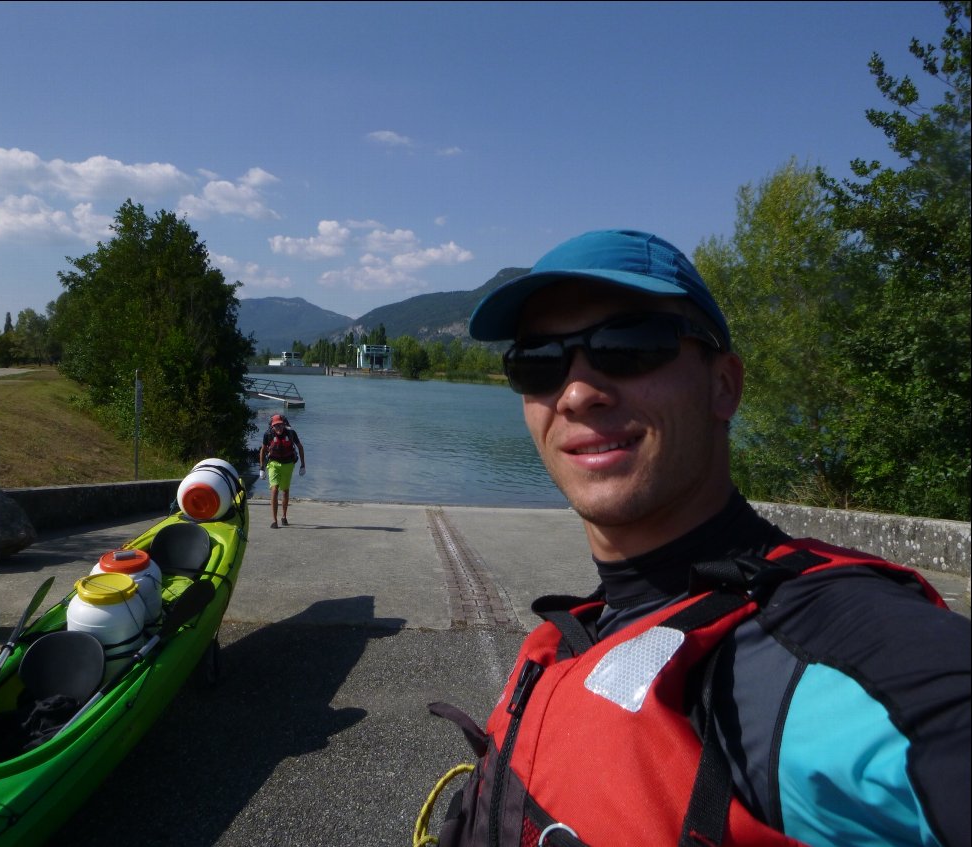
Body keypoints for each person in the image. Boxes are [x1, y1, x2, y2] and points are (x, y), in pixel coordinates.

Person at [431, 229, 970, 846]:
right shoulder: (585, 631)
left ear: (724, 386)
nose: (576, 394)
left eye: (629, 345)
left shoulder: (815, 647)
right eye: (538, 363)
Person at [259, 413, 305, 528]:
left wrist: (303, 465)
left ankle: (284, 516)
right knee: (274, 489)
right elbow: (263, 450)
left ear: (284, 424)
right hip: (273, 464)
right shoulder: (268, 434)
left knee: (285, 490)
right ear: (272, 426)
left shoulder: (291, 433)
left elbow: (300, 447)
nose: (278, 428)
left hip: (288, 464)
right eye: (276, 426)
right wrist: (262, 468)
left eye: (280, 425)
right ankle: (274, 521)